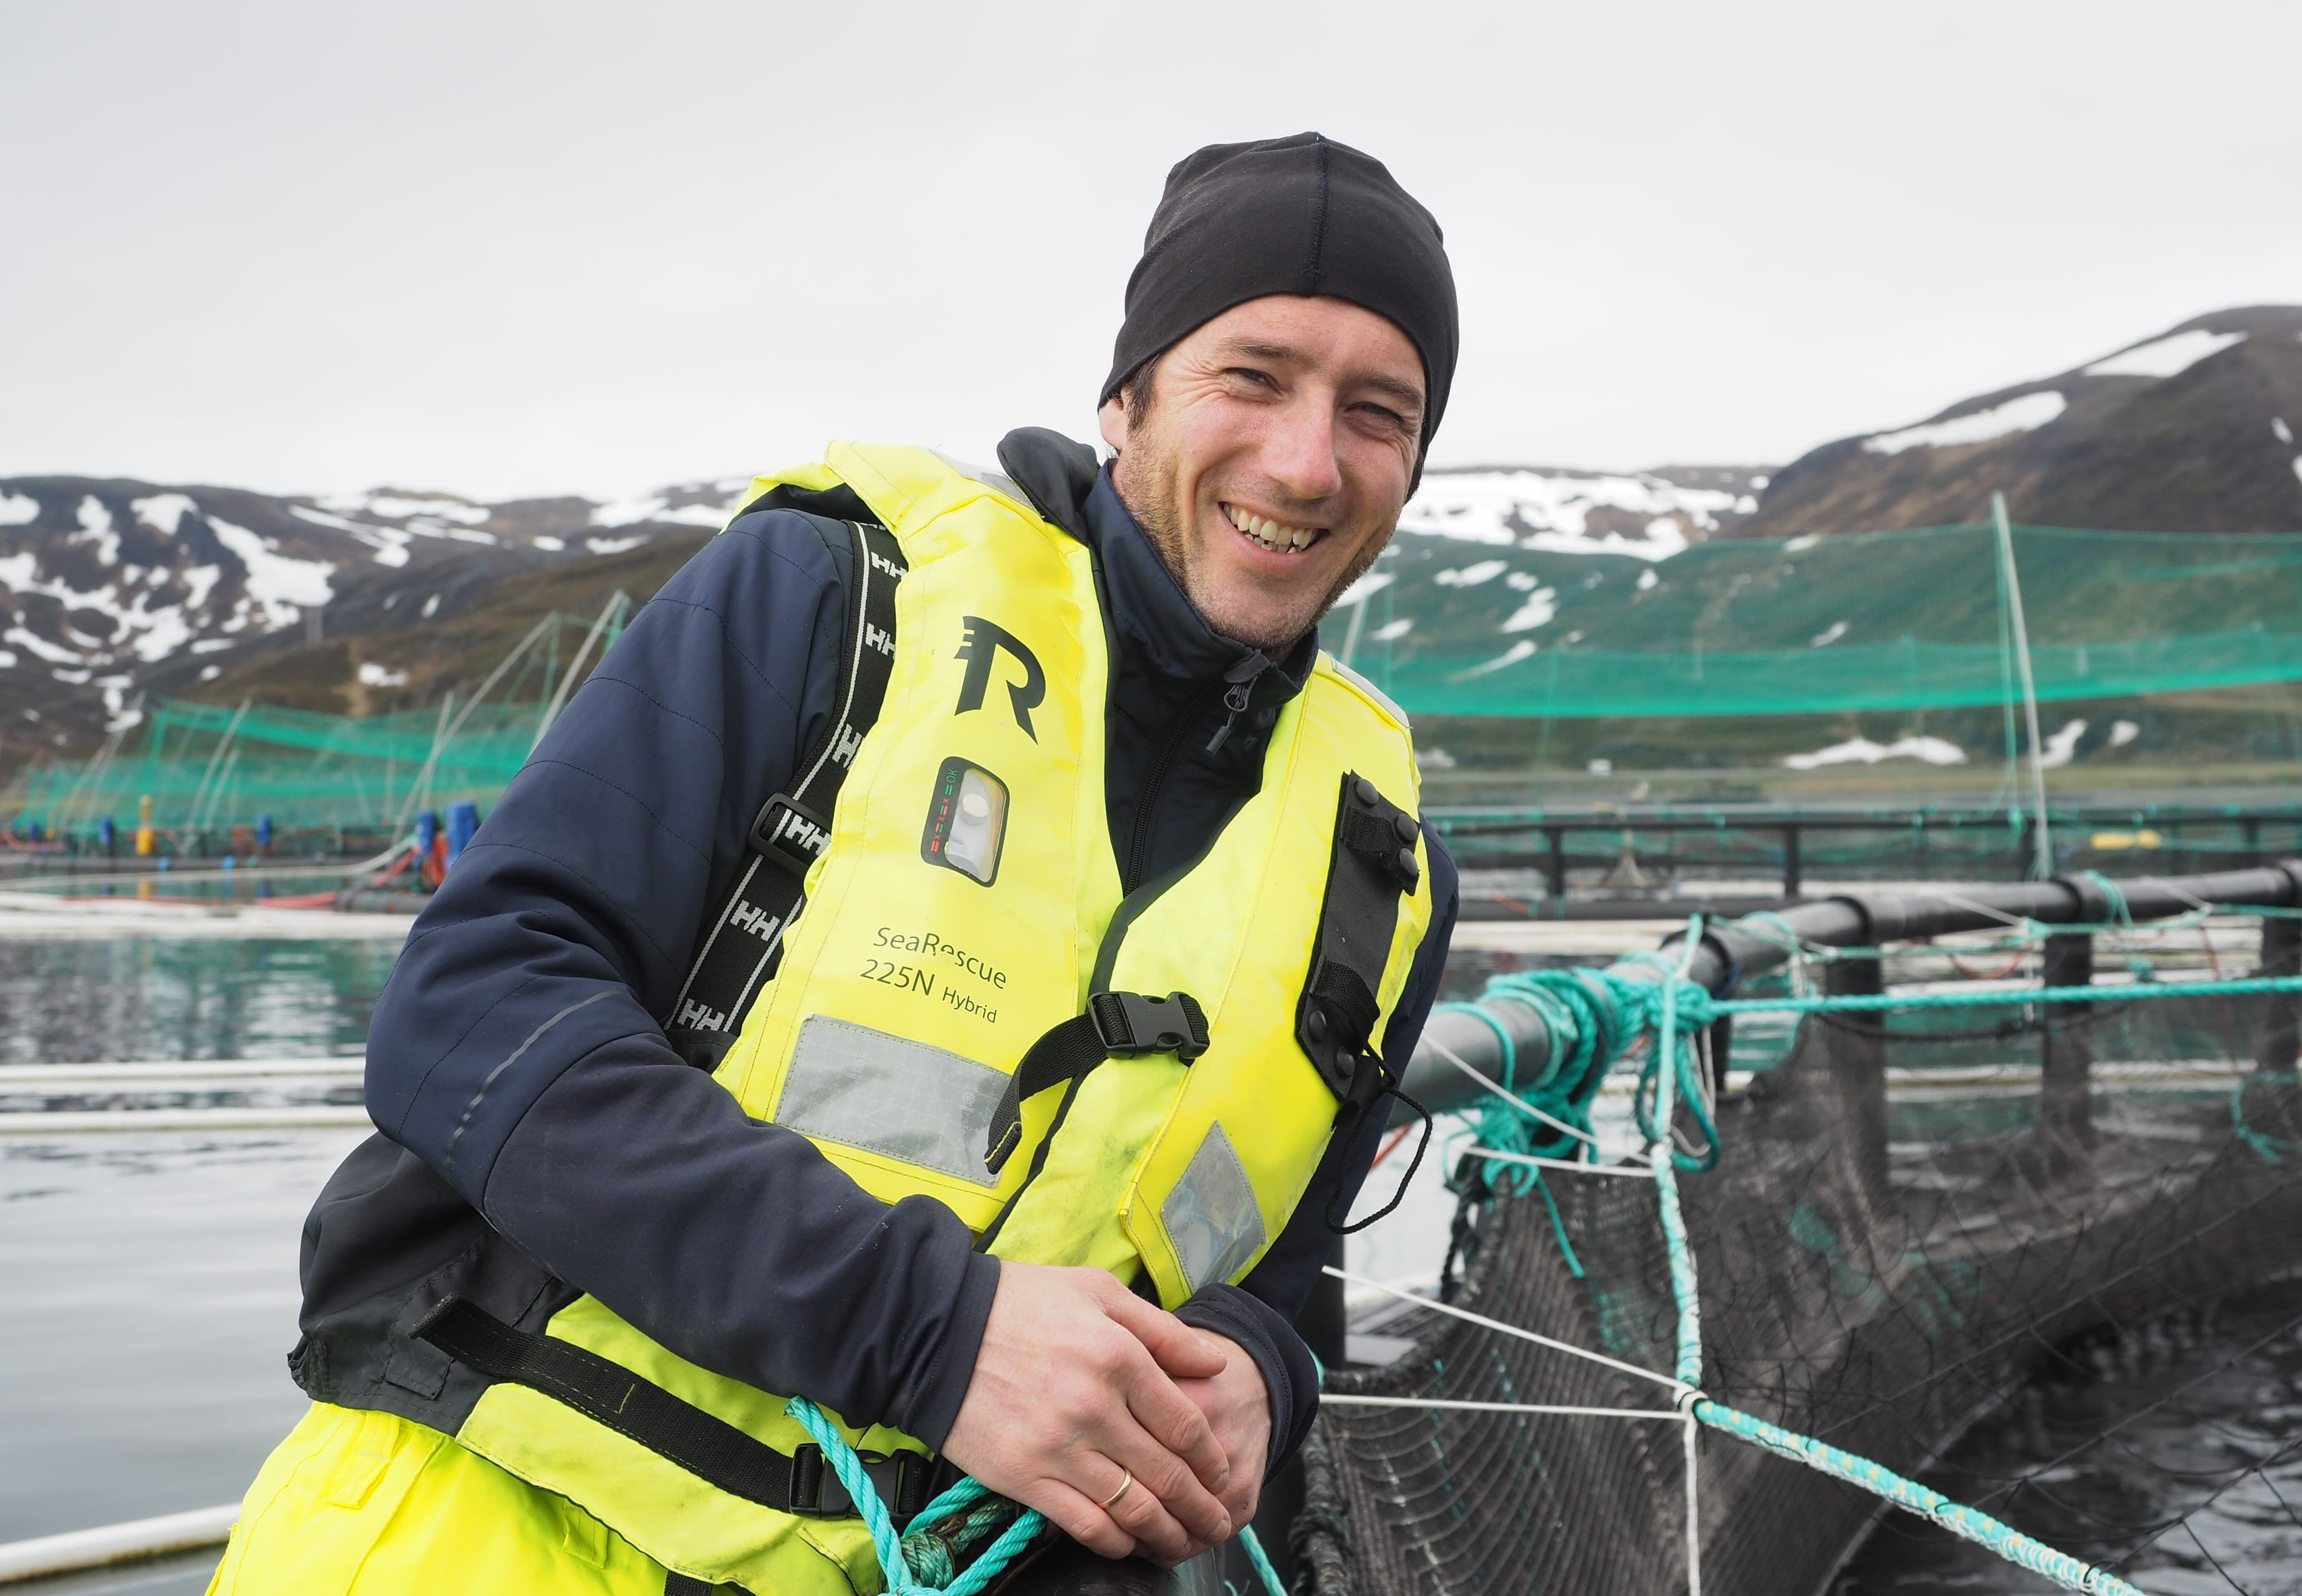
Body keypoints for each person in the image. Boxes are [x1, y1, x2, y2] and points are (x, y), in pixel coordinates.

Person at [209, 131, 1461, 1595]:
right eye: (1251, 377)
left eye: (1379, 412)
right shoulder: (837, 590)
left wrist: (1262, 1374)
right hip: (501, 1534)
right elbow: (471, 1021)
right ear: (1126, 399)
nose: (1308, 462)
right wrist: (938, 1335)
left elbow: (1283, 1273)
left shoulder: (1379, 862)